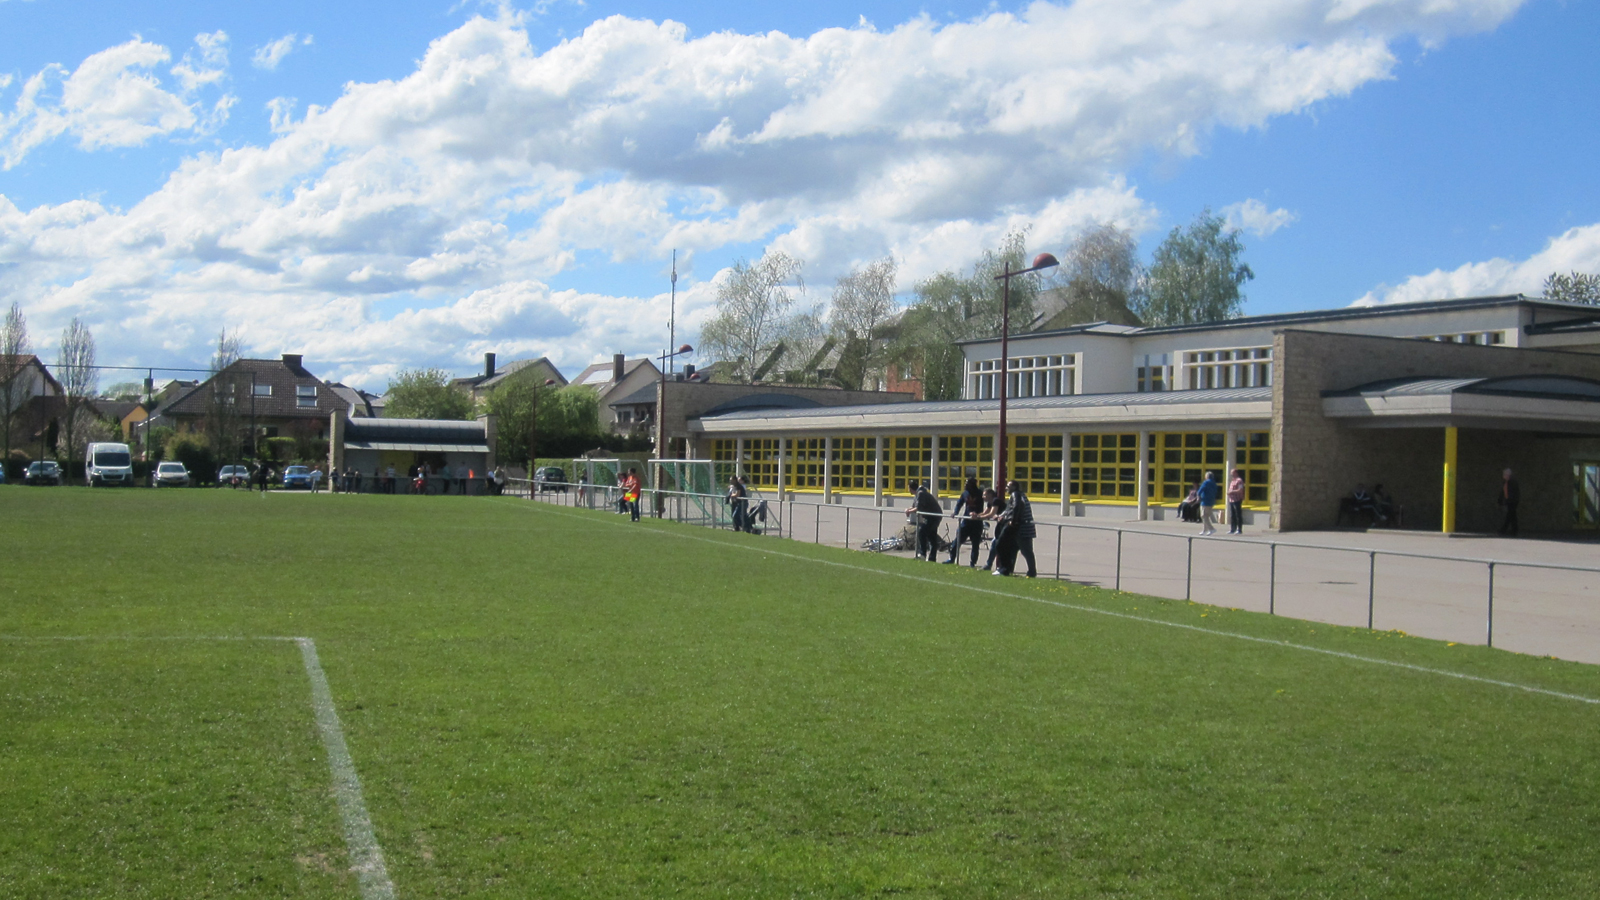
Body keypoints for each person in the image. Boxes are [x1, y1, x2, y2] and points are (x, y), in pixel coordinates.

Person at [945, 477, 985, 566]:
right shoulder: (965, 493)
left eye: (967, 483)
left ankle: (972, 563)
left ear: (972, 484)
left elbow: (983, 506)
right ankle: (951, 558)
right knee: (957, 541)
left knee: (975, 544)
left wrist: (978, 514)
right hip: (966, 522)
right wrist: (955, 512)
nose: (965, 485)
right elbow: (959, 503)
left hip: (977, 522)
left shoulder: (980, 493)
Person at [1003, 480, 1038, 577]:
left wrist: (1013, 521)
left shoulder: (1016, 495)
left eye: (1008, 486)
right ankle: (1009, 569)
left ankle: (1032, 571)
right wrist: (1002, 516)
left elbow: (1016, 508)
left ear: (1014, 487)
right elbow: (1009, 510)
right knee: (1013, 549)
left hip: (1023, 528)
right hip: (1020, 528)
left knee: (1026, 551)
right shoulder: (1019, 495)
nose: (1006, 488)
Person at [907, 481, 943, 561]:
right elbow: (915, 506)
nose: (908, 490)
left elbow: (918, 508)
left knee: (922, 532)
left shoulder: (921, 493)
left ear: (911, 488)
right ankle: (932, 558)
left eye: (908, 488)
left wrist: (909, 511)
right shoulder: (917, 494)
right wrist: (908, 509)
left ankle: (922, 554)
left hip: (933, 516)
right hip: (929, 516)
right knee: (931, 536)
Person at [1498, 468, 1520, 536]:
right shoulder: (1505, 482)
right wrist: (1500, 500)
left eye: (1505, 474)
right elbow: (1503, 492)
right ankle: (1514, 530)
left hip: (1512, 501)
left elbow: (1514, 492)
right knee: (1512, 516)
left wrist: (1512, 500)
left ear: (1508, 475)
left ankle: (1504, 529)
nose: (1503, 475)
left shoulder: (1512, 482)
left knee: (1510, 515)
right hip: (1509, 501)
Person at [1197, 470, 1220, 535]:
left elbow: (1200, 490)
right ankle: (1205, 530)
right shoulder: (1214, 483)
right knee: (1206, 516)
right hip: (1211, 501)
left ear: (1207, 476)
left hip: (1205, 501)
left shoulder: (1206, 482)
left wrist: (1198, 496)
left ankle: (1211, 529)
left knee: (1203, 516)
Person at [1226, 470, 1245, 535]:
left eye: (1233, 473)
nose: (1231, 474)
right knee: (1232, 515)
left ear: (1236, 473)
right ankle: (1232, 529)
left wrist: (1232, 492)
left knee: (1238, 515)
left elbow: (1240, 490)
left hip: (1237, 500)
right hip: (1231, 500)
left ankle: (1239, 529)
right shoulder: (1232, 481)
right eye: (1231, 473)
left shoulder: (1239, 481)